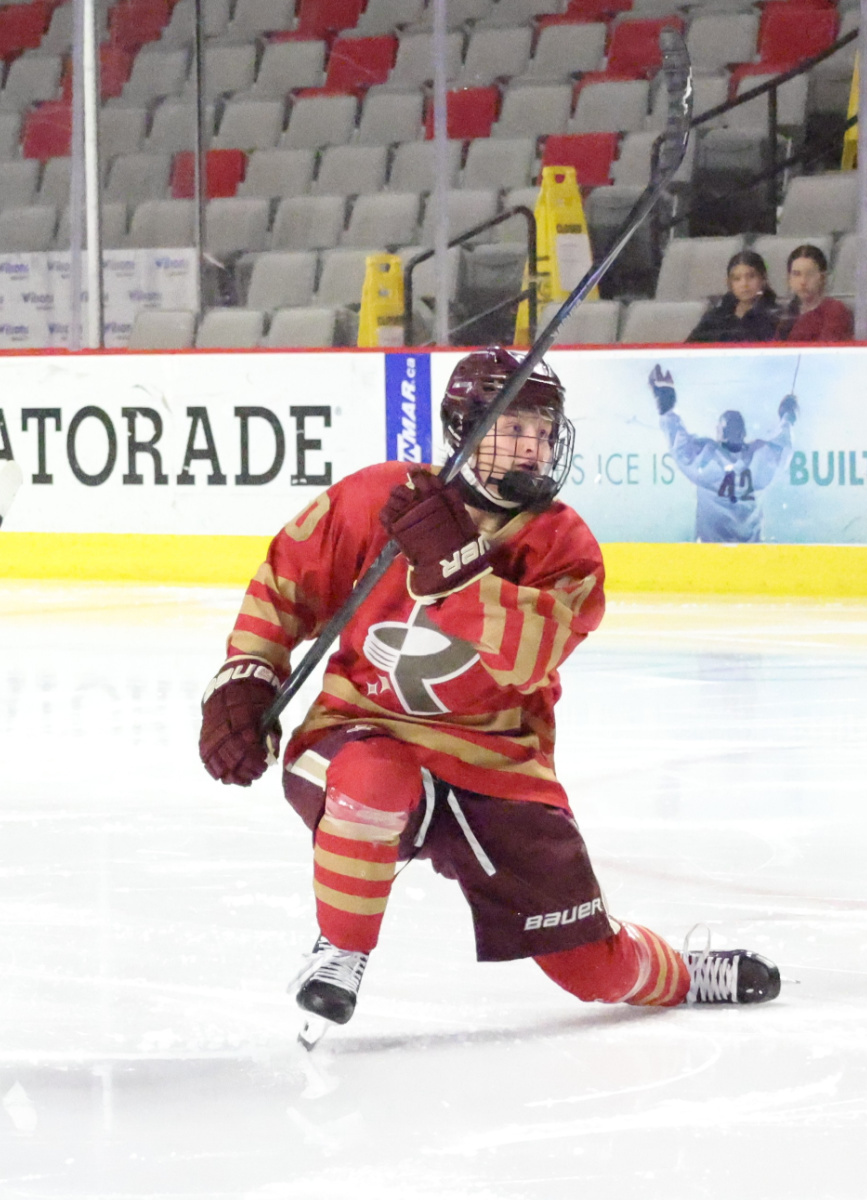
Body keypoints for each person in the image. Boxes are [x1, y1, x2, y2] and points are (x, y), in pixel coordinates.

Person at [199, 348, 781, 1043]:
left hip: (498, 763)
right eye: (514, 430)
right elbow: (283, 583)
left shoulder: (565, 546)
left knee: (587, 968)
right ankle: (341, 951)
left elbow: (532, 654)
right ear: (464, 426)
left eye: (543, 431)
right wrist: (247, 675)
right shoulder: (374, 498)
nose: (533, 448)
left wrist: (459, 571)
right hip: (359, 731)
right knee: (371, 779)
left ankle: (684, 974)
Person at [651, 364, 797, 543]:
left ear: (719, 433)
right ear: (743, 433)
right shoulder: (761, 461)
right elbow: (783, 446)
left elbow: (679, 444)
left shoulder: (706, 460)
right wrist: (788, 415)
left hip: (711, 556)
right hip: (750, 556)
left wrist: (667, 404)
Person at [684, 250, 781, 343]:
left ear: (763, 279)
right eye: (737, 279)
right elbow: (690, 349)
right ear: (729, 283)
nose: (744, 284)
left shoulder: (776, 316)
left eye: (751, 276)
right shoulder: (716, 317)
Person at [779, 244, 854, 343]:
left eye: (810, 274)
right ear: (789, 279)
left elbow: (825, 351)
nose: (803, 281)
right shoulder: (788, 313)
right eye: (796, 274)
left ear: (822, 277)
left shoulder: (835, 311)